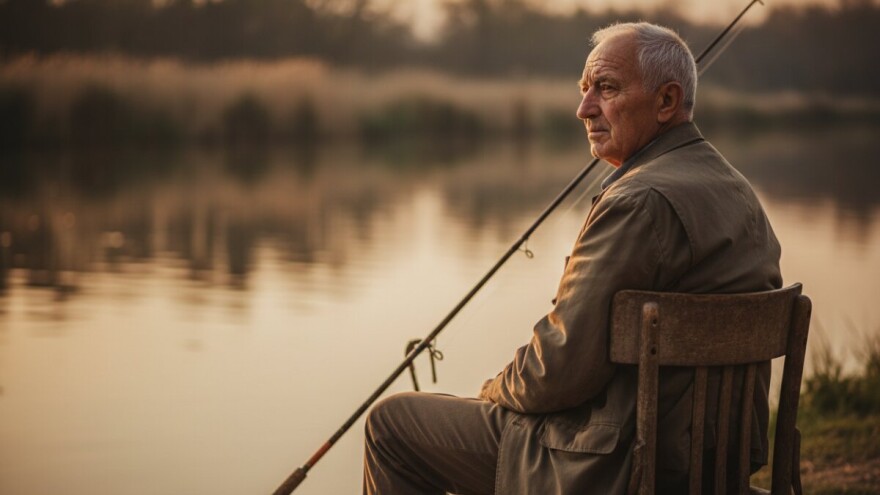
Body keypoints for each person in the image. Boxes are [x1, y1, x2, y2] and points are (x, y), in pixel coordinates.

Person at [363, 22, 781, 494]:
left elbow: (556, 372)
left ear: (666, 101)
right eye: (584, 89)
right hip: (711, 465)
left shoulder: (636, 202)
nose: (584, 108)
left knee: (391, 425)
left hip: (616, 465)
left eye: (606, 88)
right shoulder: (738, 190)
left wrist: (492, 390)